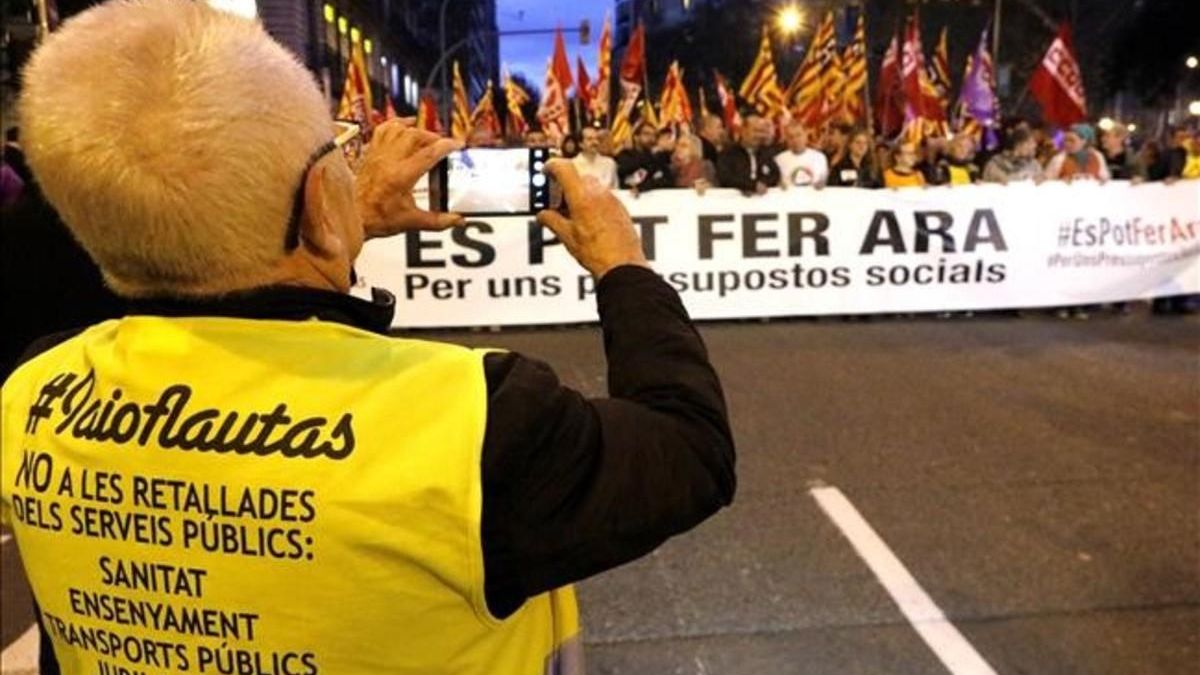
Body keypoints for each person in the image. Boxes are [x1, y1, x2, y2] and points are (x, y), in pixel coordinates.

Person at [1, 4, 736, 674]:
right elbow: (689, 448)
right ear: (323, 201)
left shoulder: (31, 395)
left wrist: (327, 233)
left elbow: (214, 293)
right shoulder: (471, 419)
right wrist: (622, 266)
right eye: (341, 151)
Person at [716, 114, 780, 195]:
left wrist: (764, 183)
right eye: (755, 131)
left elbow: (775, 174)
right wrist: (750, 186)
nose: (758, 135)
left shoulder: (765, 153)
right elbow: (725, 177)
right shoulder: (728, 154)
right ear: (743, 131)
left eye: (761, 131)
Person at [615, 121, 674, 194]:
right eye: (647, 134)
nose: (651, 138)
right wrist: (649, 157)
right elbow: (625, 171)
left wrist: (644, 186)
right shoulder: (625, 154)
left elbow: (667, 180)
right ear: (636, 137)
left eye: (653, 135)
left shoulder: (658, 157)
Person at [1045, 124, 1110, 181]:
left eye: (1071, 140)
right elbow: (1046, 182)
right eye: (1065, 140)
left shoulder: (1097, 156)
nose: (1067, 144)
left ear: (1084, 141)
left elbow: (1105, 180)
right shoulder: (1059, 159)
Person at [774, 121, 829, 188]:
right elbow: (776, 183)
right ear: (786, 139)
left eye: (798, 135)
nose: (795, 140)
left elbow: (825, 181)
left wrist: (821, 184)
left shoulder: (820, 157)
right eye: (791, 137)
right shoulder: (778, 159)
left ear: (805, 135)